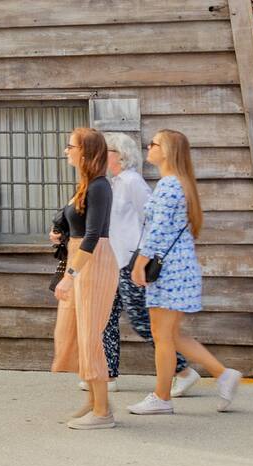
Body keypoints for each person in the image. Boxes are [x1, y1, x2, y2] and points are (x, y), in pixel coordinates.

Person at [126, 129, 243, 416]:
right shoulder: (179, 184)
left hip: (169, 271)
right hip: (179, 267)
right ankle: (223, 374)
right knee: (171, 335)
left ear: (166, 151)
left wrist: (140, 263)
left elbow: (158, 230)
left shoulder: (169, 186)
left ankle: (161, 397)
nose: (148, 147)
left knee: (162, 336)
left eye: (154, 143)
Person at [92, 132, 201, 397]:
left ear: (119, 155)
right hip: (114, 261)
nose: (100, 155)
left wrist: (141, 260)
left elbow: (151, 222)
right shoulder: (111, 183)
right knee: (105, 319)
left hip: (132, 262)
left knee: (143, 323)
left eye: (106, 150)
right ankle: (108, 374)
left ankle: (184, 371)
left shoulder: (133, 182)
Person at [51, 128, 119, 430]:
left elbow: (93, 235)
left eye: (70, 146)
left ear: (86, 152)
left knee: (91, 336)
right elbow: (79, 231)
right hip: (81, 260)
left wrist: (70, 277)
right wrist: (61, 235)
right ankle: (93, 400)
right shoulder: (86, 185)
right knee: (75, 333)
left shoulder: (100, 186)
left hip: (94, 264)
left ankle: (103, 412)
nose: (66, 151)